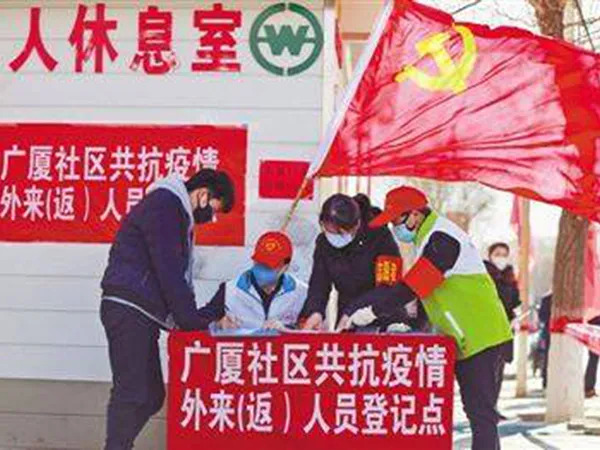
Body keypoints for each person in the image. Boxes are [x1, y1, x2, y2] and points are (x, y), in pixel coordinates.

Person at [340, 186, 512, 450]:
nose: (395, 228)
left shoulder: (443, 239)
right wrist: (407, 325)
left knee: (481, 415)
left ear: (415, 215)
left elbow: (414, 286)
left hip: (481, 336)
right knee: (475, 412)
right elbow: (427, 295)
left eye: (397, 220)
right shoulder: (427, 239)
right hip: (464, 338)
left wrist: (372, 311)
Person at [99, 169, 235, 450]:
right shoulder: (166, 205)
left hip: (139, 310)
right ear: (203, 194)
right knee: (132, 392)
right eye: (214, 209)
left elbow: (172, 272)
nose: (211, 217)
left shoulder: (174, 209)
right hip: (129, 307)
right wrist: (189, 319)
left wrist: (191, 318)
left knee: (151, 396)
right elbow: (170, 270)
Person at [299, 193, 416, 331]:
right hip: (347, 322)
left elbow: (388, 286)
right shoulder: (324, 243)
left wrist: (353, 309)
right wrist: (315, 311)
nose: (332, 237)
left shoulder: (381, 237)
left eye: (339, 233)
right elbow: (319, 283)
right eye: (327, 229)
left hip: (383, 317)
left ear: (356, 225)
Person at [196, 231, 308, 332]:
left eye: (269, 266)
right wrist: (219, 324)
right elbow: (198, 320)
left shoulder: (301, 293)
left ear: (285, 266)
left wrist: (287, 330)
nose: (262, 270)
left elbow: (311, 331)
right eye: (259, 263)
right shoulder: (231, 290)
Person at [484, 242, 521, 363]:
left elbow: (515, 302)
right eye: (497, 254)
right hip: (487, 328)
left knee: (501, 364)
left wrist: (515, 317)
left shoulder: (510, 277)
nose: (501, 258)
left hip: (505, 328)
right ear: (490, 256)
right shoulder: (483, 276)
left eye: (504, 255)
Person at [584, 315, 600, 398]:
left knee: (593, 358)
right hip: (595, 323)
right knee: (593, 357)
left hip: (594, 322)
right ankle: (588, 388)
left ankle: (589, 388)